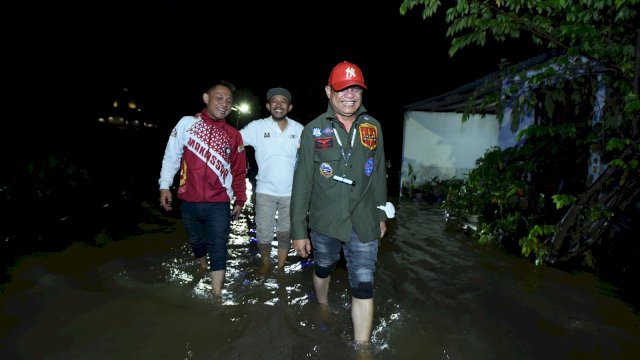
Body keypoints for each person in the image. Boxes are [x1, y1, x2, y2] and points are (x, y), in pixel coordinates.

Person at [290, 61, 394, 346]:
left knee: (363, 284)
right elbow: (302, 184)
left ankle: (362, 349)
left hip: (363, 220)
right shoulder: (312, 131)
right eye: (342, 89)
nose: (350, 94)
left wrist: (381, 214)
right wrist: (299, 230)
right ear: (328, 91)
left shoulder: (373, 127)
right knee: (323, 267)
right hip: (325, 221)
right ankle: (322, 304)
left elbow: (378, 176)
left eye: (355, 88)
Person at [158, 80, 247, 296]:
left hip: (219, 202)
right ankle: (202, 266)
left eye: (229, 101)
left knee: (218, 245)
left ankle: (217, 296)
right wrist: (164, 186)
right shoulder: (187, 123)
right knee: (197, 242)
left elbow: (239, 171)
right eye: (219, 98)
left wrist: (240, 199)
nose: (224, 103)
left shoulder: (234, 135)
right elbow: (172, 155)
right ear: (206, 98)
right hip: (189, 200)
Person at [240, 87, 304, 275]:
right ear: (268, 106)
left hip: (291, 192)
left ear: (289, 107)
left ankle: (281, 267)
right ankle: (266, 262)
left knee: (285, 233)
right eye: (274, 101)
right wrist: (209, 121)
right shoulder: (257, 127)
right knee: (263, 233)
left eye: (283, 101)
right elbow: (233, 138)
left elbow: (312, 155)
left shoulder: (299, 129)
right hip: (265, 190)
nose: (278, 105)